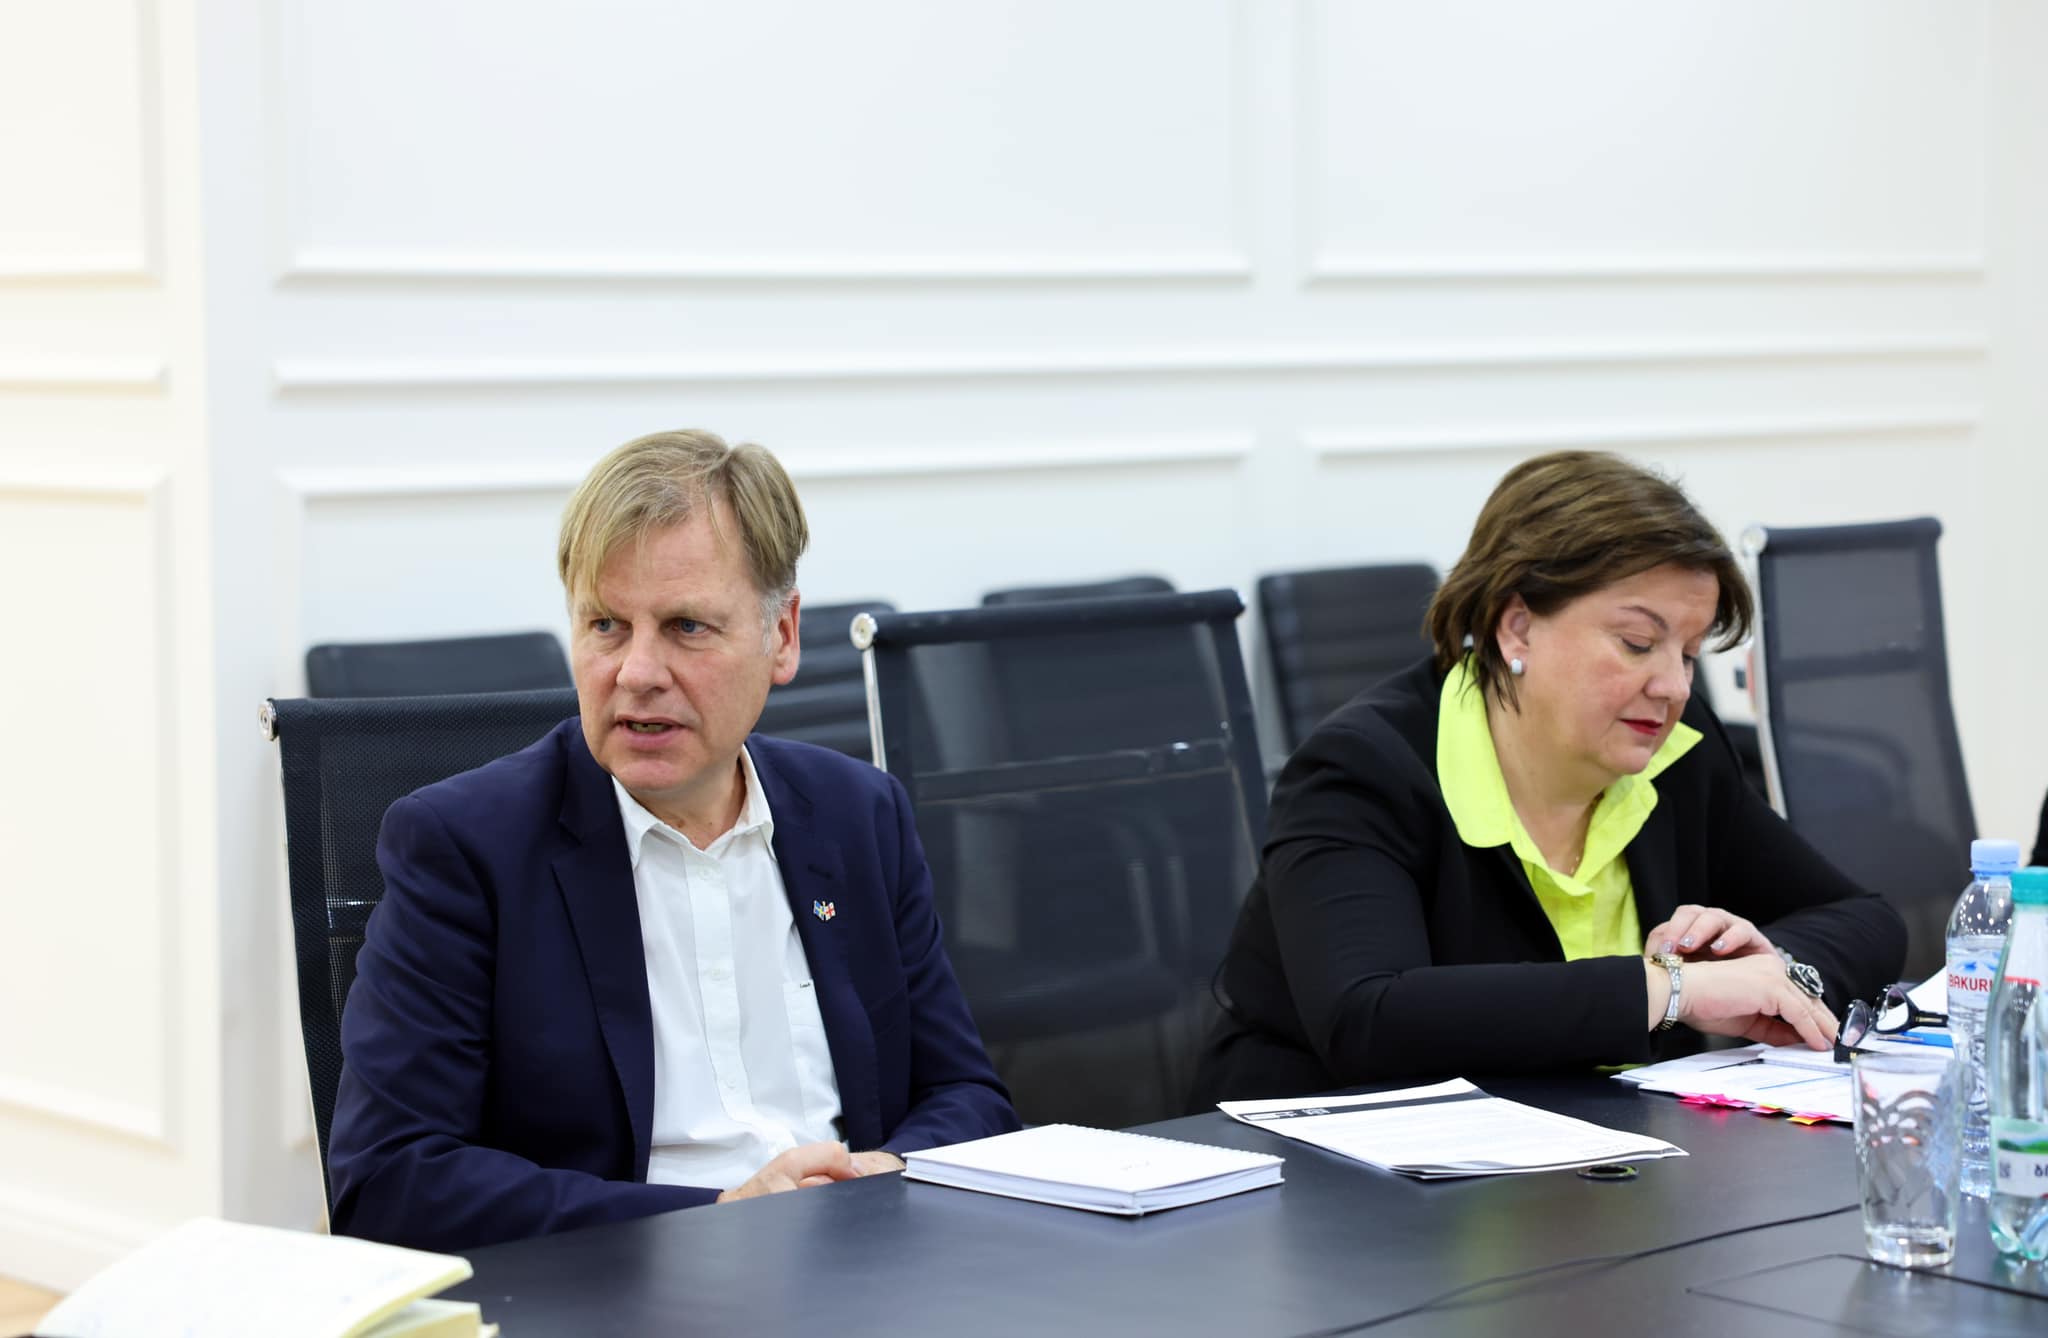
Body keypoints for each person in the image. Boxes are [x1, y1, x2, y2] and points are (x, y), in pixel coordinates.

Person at [329, 430, 1018, 1251]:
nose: (637, 672)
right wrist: (719, 1219)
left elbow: (967, 1096)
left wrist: (883, 1175)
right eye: (606, 625)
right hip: (624, 1283)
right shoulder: (464, 848)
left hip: (864, 1264)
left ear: (782, 636)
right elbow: (390, 1180)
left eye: (686, 626)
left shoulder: (858, 814)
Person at [1188, 450, 1907, 1106]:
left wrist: (1767, 967)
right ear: (1517, 628)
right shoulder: (1362, 769)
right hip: (1334, 1164)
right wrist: (1673, 991)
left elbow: (1865, 919)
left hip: (1601, 1153)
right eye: (1637, 643)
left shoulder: (1676, 754)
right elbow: (1368, 1016)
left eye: (1688, 653)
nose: (1673, 686)